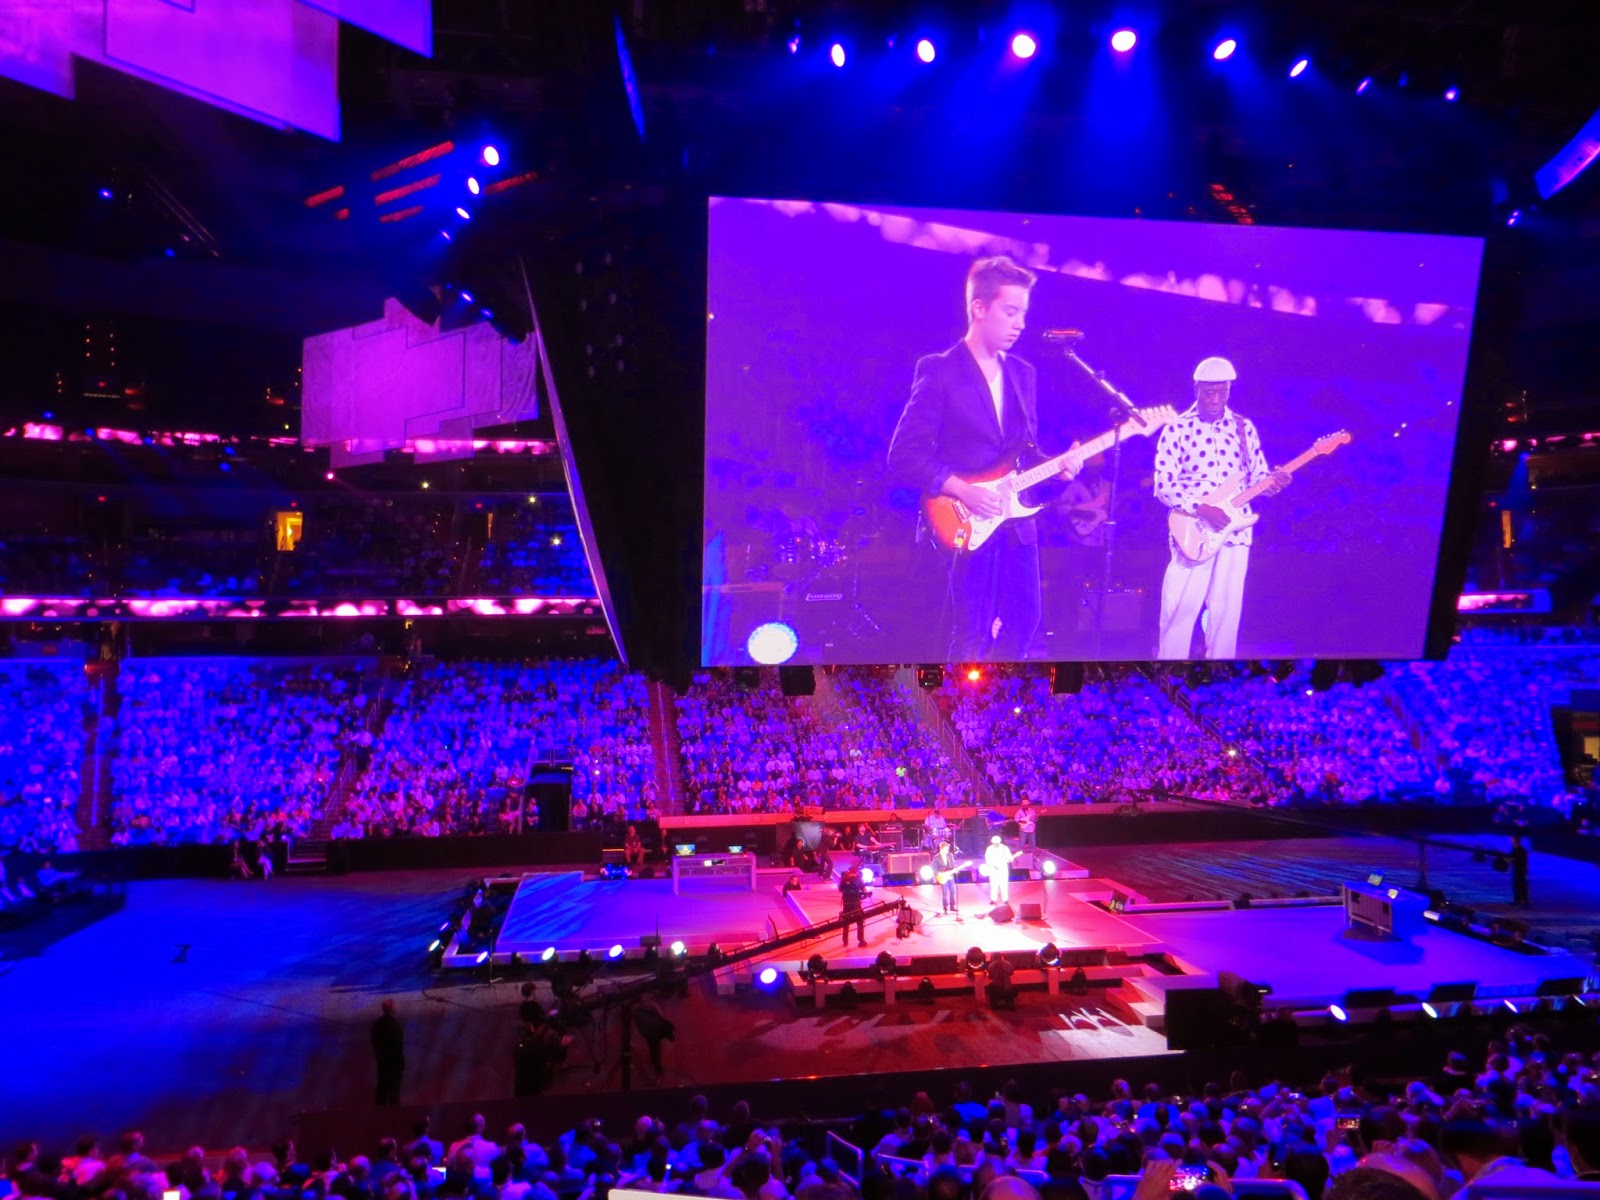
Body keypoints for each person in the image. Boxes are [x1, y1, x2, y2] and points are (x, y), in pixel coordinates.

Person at [887, 255, 1081, 662]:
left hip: (1017, 523)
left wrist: (1059, 469)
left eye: (1023, 313)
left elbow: (1025, 452)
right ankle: (960, 697)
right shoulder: (940, 370)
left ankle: (1000, 693)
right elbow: (904, 454)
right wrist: (963, 490)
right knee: (971, 632)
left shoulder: (1023, 373)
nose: (1020, 323)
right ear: (979, 308)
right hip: (965, 519)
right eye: (1010, 312)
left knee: (1025, 623)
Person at [1153, 357, 1289, 659]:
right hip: (1193, 529)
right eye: (1209, 392)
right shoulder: (1178, 428)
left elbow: (1258, 477)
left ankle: (1218, 669)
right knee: (1181, 608)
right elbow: (1163, 485)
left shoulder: (1244, 428)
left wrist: (1274, 483)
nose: (1216, 400)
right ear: (1196, 389)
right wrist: (1201, 508)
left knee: (1227, 612)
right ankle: (1170, 669)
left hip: (1235, 531)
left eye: (1222, 392)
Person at [370, 998, 405, 1106]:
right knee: (394, 1091)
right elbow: (398, 1045)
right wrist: (401, 1062)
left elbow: (375, 1042)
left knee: (382, 1089)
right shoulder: (395, 1024)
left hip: (382, 1062)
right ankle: (394, 1114)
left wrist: (379, 1056)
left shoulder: (377, 1024)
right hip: (394, 1062)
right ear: (391, 1009)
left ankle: (380, 1113)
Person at [839, 864, 867, 948]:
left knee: (846, 922)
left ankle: (845, 941)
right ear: (857, 872)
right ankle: (861, 940)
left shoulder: (844, 879)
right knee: (859, 922)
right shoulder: (858, 880)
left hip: (846, 904)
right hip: (855, 904)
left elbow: (840, 889)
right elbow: (864, 890)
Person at [933, 836, 961, 916]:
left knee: (953, 891)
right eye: (946, 849)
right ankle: (945, 908)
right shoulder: (936, 857)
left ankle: (952, 906)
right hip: (943, 876)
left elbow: (953, 865)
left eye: (948, 849)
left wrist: (956, 869)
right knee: (945, 893)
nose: (947, 850)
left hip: (950, 876)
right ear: (941, 849)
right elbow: (934, 868)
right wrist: (939, 873)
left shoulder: (950, 856)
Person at [984, 835, 1015, 906]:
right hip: (993, 869)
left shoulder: (1004, 848)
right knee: (993, 884)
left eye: (997, 843)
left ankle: (1005, 899)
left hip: (1003, 869)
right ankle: (993, 899)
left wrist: (1010, 859)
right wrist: (992, 865)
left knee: (1004, 884)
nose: (996, 844)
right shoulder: (989, 849)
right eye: (994, 843)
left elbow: (1010, 857)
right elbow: (987, 858)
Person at [1510, 835, 1530, 908]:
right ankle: (1522, 900)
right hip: (1519, 869)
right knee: (1520, 885)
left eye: (1512, 840)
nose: (1511, 841)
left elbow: (1516, 859)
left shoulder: (1519, 850)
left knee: (1519, 885)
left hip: (1520, 869)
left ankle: (1520, 900)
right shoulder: (1518, 849)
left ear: (1516, 841)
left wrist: (1510, 860)